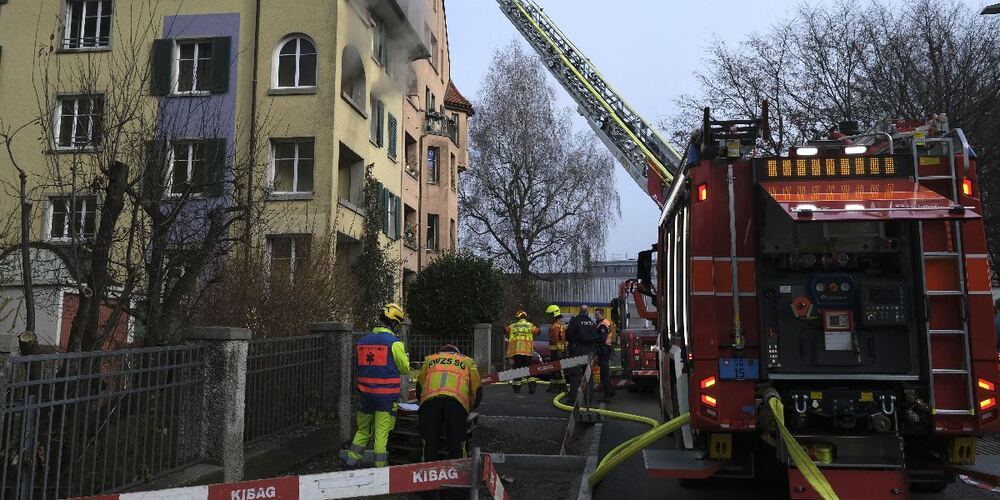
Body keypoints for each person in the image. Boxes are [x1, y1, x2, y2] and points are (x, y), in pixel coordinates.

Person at [340, 303, 410, 468]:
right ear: (393, 323)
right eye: (398, 324)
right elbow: (404, 368)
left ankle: (350, 463)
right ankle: (381, 473)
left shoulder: (362, 341)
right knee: (381, 434)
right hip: (385, 399)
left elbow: (358, 366)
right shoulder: (394, 343)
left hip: (365, 396)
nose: (398, 327)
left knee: (363, 430)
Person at [416, 344, 482, 462]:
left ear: (441, 352)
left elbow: (419, 385)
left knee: (429, 443)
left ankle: (428, 474)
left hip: (430, 402)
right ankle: (458, 473)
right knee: (457, 443)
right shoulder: (468, 362)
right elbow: (476, 389)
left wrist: (422, 403)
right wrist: (469, 407)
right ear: (457, 353)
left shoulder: (430, 359)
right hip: (456, 403)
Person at [565, 305, 597, 403]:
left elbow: (568, 334)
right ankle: (589, 399)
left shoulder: (575, 320)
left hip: (577, 350)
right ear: (587, 312)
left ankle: (573, 399)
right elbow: (596, 337)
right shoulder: (592, 322)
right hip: (590, 351)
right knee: (588, 375)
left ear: (579, 311)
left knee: (574, 374)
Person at [505, 310, 539, 393]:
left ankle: (516, 388)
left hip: (516, 352)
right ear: (525, 317)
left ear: (517, 317)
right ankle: (532, 385)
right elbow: (538, 331)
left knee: (517, 369)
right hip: (527, 352)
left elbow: (506, 331)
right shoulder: (530, 325)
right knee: (528, 369)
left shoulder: (513, 326)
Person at [595, 308, 616, 401]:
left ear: (602, 315)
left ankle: (607, 395)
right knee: (605, 373)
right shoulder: (606, 322)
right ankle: (610, 391)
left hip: (604, 350)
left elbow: (602, 339)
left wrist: (593, 340)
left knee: (604, 373)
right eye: (595, 315)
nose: (595, 317)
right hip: (606, 349)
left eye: (597, 315)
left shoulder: (602, 325)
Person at [545, 305, 568, 393]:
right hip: (555, 352)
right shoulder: (555, 326)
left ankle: (562, 387)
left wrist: (559, 352)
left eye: (550, 315)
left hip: (558, 353)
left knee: (559, 370)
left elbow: (558, 340)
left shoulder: (556, 327)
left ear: (554, 315)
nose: (548, 317)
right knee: (554, 369)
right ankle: (553, 386)